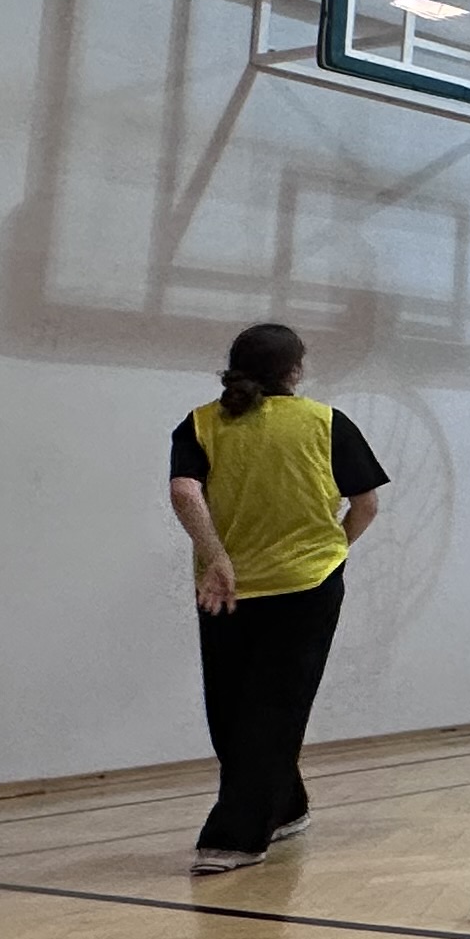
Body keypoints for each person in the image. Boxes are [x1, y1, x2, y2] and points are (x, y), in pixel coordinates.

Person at [165, 322, 387, 877]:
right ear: (295, 370)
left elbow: (184, 492)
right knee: (273, 707)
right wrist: (333, 550)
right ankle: (271, 817)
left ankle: (238, 830)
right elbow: (365, 505)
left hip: (225, 586)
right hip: (307, 584)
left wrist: (216, 557)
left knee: (234, 707)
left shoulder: (200, 423)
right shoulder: (327, 423)